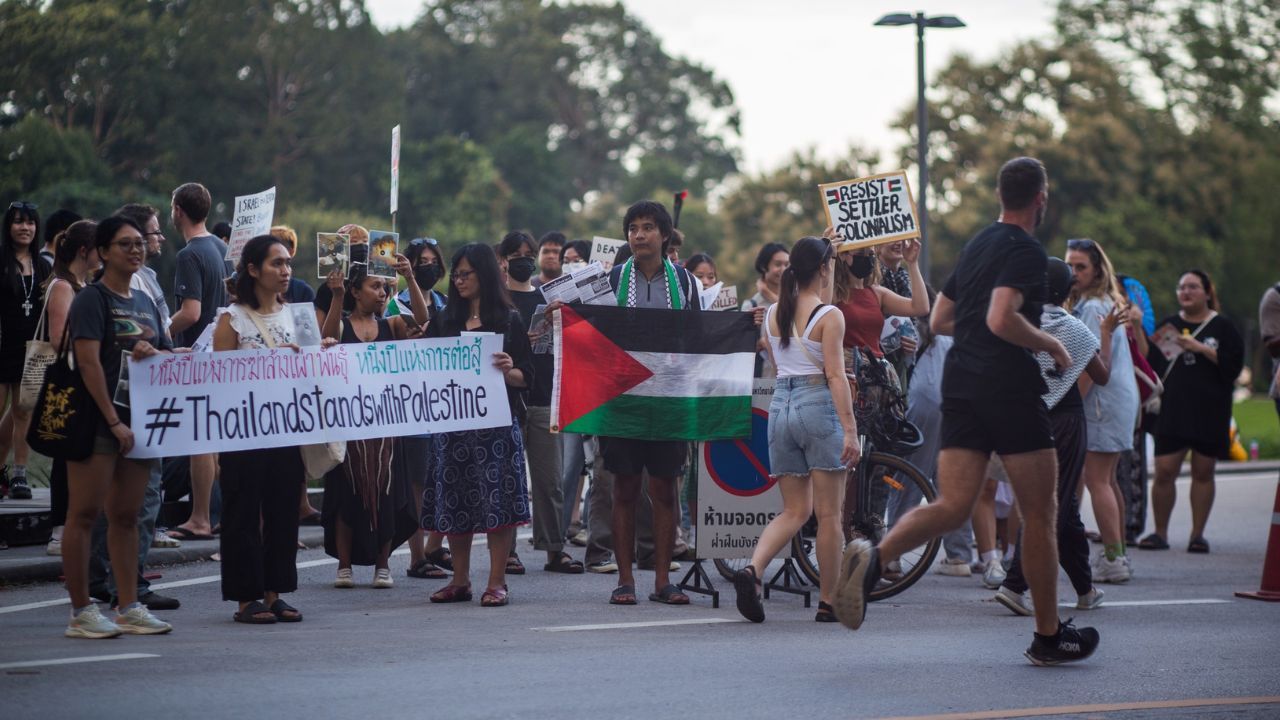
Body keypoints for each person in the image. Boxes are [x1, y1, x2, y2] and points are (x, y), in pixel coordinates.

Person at [834, 157, 1100, 666]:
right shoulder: (1024, 249)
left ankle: (874, 561)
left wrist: (985, 332)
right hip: (1009, 387)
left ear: (1001, 195)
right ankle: (1048, 635)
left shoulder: (978, 244)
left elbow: (942, 317)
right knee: (1041, 513)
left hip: (962, 383)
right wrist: (1050, 344)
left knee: (954, 503)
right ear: (1039, 199)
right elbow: (1002, 317)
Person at [731, 236, 858, 623]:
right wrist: (850, 430)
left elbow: (779, 357)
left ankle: (753, 570)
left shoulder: (771, 315)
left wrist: (826, 253)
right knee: (830, 515)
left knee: (793, 510)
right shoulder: (830, 316)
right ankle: (828, 601)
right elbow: (835, 375)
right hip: (817, 405)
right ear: (822, 269)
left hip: (780, 408)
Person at [62, 215, 174, 638]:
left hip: (140, 421)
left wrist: (152, 351)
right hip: (98, 421)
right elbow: (88, 364)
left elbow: (165, 355)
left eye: (138, 243)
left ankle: (128, 605)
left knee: (127, 516)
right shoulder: (92, 299)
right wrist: (112, 420)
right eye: (124, 244)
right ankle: (80, 611)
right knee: (85, 514)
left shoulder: (145, 301)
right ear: (103, 251)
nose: (135, 250)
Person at [595, 200, 700, 607]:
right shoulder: (612, 279)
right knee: (624, 487)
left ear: (665, 235)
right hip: (622, 399)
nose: (639, 234)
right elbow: (593, 331)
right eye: (633, 228)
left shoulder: (687, 283)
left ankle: (662, 581)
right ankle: (625, 580)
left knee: (665, 489)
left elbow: (699, 338)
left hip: (669, 398)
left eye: (648, 227)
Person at [212, 234, 320, 624]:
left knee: (282, 512)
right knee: (242, 511)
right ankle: (246, 598)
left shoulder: (301, 316)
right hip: (243, 431)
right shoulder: (232, 319)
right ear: (253, 270)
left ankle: (275, 593)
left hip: (287, 429)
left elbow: (314, 370)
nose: (285, 270)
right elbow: (218, 376)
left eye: (288, 263)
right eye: (276, 263)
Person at [995, 257, 1110, 615]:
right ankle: (1015, 584)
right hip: (1066, 421)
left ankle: (1086, 589)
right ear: (1068, 291)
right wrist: (1105, 338)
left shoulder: (1018, 323)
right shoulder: (1075, 328)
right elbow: (1101, 375)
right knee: (1050, 506)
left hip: (1026, 416)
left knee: (1063, 507)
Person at [422, 243, 533, 607]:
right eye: (455, 275)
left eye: (465, 274)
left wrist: (508, 369)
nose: (458, 281)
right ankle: (460, 580)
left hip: (496, 429)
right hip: (453, 425)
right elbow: (423, 367)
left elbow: (528, 377)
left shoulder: (509, 320)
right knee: (456, 502)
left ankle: (497, 581)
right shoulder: (443, 321)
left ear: (484, 275)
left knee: (496, 503)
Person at [320, 255, 426, 588]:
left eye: (384, 287)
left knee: (386, 492)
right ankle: (345, 565)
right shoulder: (343, 324)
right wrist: (335, 297)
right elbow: (327, 339)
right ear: (355, 290)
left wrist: (408, 278)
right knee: (346, 492)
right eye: (374, 286)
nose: (381, 293)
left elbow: (423, 319)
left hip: (385, 423)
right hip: (349, 423)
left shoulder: (391, 325)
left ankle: (383, 565)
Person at [1140, 270, 1244, 554]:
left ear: (1207, 292)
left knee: (1203, 471)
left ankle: (1197, 535)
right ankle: (1159, 533)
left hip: (1210, 411)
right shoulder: (1169, 326)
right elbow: (1149, 359)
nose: (1186, 292)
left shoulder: (1222, 328)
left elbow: (1233, 367)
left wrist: (1200, 348)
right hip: (1172, 411)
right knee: (1164, 472)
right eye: (1182, 287)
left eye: (1193, 287)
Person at [500, 231, 582, 574]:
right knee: (508, 478)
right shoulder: (497, 301)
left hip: (545, 396)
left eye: (528, 253)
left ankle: (553, 548)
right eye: (517, 254)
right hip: (506, 401)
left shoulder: (546, 297)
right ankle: (505, 551)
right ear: (503, 260)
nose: (524, 259)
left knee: (549, 481)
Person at [1065, 238, 1139, 582]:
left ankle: (1114, 559)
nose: (1074, 272)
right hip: (1117, 398)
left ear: (1097, 270)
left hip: (1101, 400)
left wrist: (1067, 400)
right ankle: (1118, 553)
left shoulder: (1093, 307)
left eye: (1081, 266)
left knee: (1097, 480)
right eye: (1070, 265)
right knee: (1107, 479)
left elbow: (1090, 365)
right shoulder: (1102, 303)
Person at [115, 203, 180, 564]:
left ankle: (131, 583)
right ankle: (110, 585)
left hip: (149, 400)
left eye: (144, 240)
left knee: (147, 492)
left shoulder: (144, 285)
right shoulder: (100, 299)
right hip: (125, 408)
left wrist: (167, 351)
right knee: (128, 501)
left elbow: (157, 337)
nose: (142, 247)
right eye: (133, 241)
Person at [165, 183, 229, 542]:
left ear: (178, 211)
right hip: (220, 354)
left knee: (200, 439)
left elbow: (190, 313)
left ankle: (200, 517)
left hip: (197, 356)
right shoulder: (220, 246)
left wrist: (161, 330)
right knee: (215, 440)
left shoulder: (189, 254)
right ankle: (216, 514)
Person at [41, 221, 99, 557]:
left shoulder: (83, 284)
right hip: (69, 382)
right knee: (65, 456)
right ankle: (59, 530)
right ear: (83, 250)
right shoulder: (63, 286)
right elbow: (58, 338)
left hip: (84, 380)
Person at [0, 200, 50, 501]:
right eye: (18, 222)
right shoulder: (1, 260)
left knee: (24, 412)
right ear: (8, 227)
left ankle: (19, 473)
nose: (25, 228)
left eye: (30, 222)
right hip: (2, 344)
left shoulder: (44, 265)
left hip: (35, 350)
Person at [269, 226, 317, 305]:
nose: (285, 272)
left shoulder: (302, 291)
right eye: (277, 263)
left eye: (287, 263)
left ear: (291, 252)